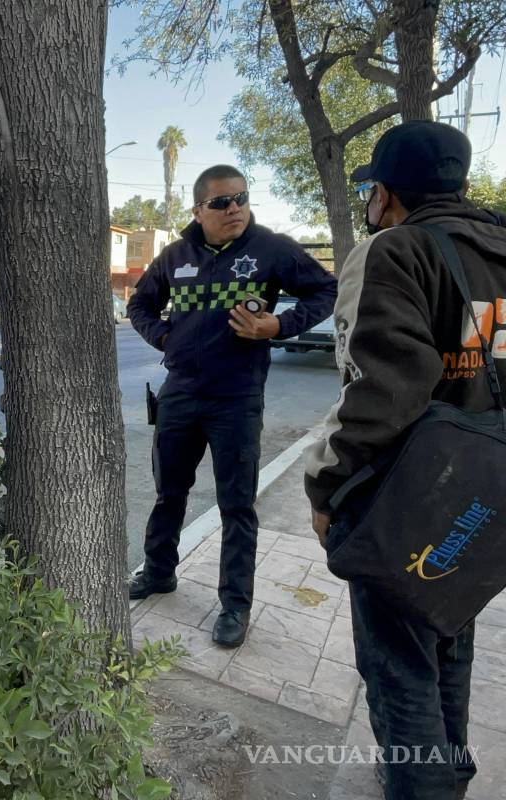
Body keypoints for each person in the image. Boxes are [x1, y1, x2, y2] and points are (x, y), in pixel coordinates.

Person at [305, 121, 505, 800]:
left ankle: (423, 783)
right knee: (450, 631)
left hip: (410, 497)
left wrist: (328, 488)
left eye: (371, 191)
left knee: (399, 669)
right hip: (490, 489)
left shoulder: (397, 250)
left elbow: (380, 392)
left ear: (385, 194)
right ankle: (452, 772)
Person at [127, 164, 337, 647]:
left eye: (241, 198)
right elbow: (140, 305)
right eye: (221, 202)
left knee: (237, 505)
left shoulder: (271, 248)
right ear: (198, 210)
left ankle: (235, 606)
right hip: (180, 393)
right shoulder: (175, 255)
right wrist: (165, 337)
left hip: (237, 398)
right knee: (168, 493)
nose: (234, 209)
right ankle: (158, 571)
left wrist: (280, 326)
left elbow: (326, 290)